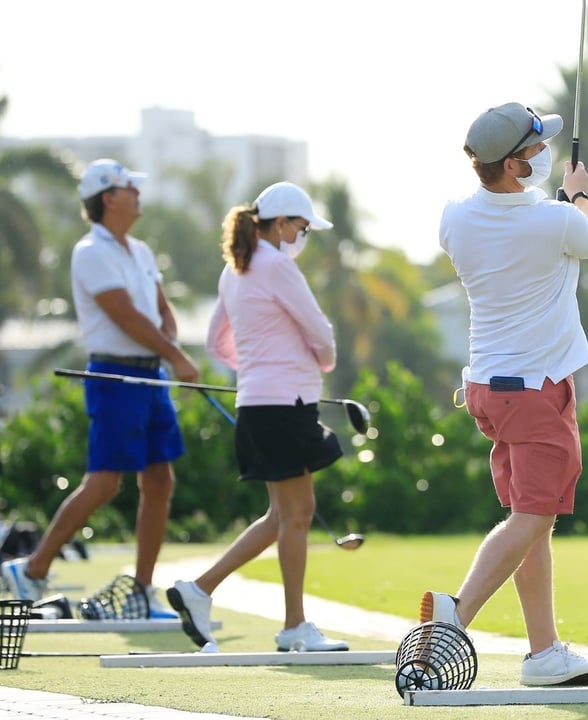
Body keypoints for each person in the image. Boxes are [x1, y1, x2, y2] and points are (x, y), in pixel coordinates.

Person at [428, 101, 588, 686]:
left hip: (488, 390)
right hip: (536, 392)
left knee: (531, 519)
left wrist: (555, 201)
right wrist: (579, 195)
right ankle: (455, 615)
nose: (545, 156)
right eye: (535, 150)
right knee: (534, 516)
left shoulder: (454, 217)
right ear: (512, 165)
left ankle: (544, 652)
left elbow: (514, 217)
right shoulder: (555, 220)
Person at [1, 159, 198, 619]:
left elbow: (159, 308)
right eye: (132, 187)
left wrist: (170, 342)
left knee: (160, 480)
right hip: (113, 375)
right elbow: (125, 315)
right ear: (109, 197)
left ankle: (141, 593)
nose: (138, 194)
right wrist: (176, 356)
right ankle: (33, 568)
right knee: (106, 483)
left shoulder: (142, 251)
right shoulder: (90, 251)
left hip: (151, 376)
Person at [165, 182, 349, 653]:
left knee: (280, 516)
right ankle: (293, 627)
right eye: (302, 227)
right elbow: (319, 329)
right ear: (283, 223)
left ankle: (200, 589)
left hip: (261, 403)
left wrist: (260, 366)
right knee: (298, 514)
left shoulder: (237, 270)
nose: (303, 236)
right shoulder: (275, 266)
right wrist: (318, 363)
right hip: (284, 405)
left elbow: (216, 344)